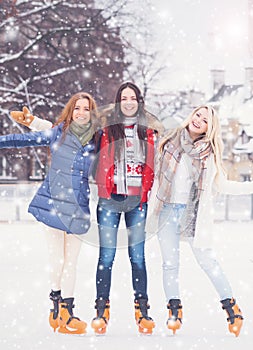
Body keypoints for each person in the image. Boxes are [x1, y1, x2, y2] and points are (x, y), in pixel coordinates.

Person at [0, 92, 99, 335]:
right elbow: (23, 140)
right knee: (58, 260)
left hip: (78, 206)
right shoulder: (58, 133)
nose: (81, 113)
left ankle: (65, 312)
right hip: (53, 202)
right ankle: (58, 309)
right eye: (77, 108)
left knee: (72, 263)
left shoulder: (97, 139)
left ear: (91, 113)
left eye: (86, 109)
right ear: (71, 111)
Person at [151, 104, 253, 337]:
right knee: (170, 264)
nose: (198, 120)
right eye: (197, 114)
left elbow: (223, 186)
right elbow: (155, 178)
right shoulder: (170, 142)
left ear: (210, 128)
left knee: (208, 262)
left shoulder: (209, 154)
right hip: (166, 211)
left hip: (193, 215)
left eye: (205, 120)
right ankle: (174, 313)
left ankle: (232, 309)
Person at [90, 82, 164, 334]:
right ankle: (101, 309)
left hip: (137, 203)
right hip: (110, 200)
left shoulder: (149, 133)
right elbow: (74, 132)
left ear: (139, 101)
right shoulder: (106, 131)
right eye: (124, 97)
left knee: (138, 257)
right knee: (106, 257)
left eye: (133, 97)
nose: (129, 101)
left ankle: (142, 309)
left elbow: (154, 165)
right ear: (119, 102)